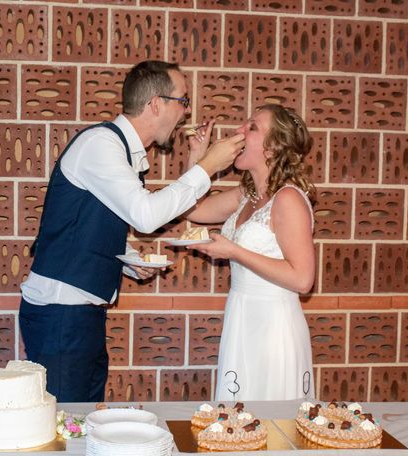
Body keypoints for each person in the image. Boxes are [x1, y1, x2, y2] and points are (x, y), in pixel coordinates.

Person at [19, 60, 245, 402]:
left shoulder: (122, 152)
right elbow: (146, 215)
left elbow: (92, 223)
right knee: (65, 424)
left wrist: (128, 259)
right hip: (62, 313)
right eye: (183, 101)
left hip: (78, 313)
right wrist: (206, 167)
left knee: (83, 418)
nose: (185, 113)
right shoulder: (100, 145)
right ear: (156, 104)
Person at [186, 104, 315, 401]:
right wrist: (199, 159)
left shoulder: (288, 199)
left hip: (273, 327)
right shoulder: (247, 195)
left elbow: (303, 279)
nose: (239, 132)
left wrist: (233, 251)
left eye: (252, 128)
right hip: (242, 319)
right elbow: (193, 210)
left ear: (273, 148)